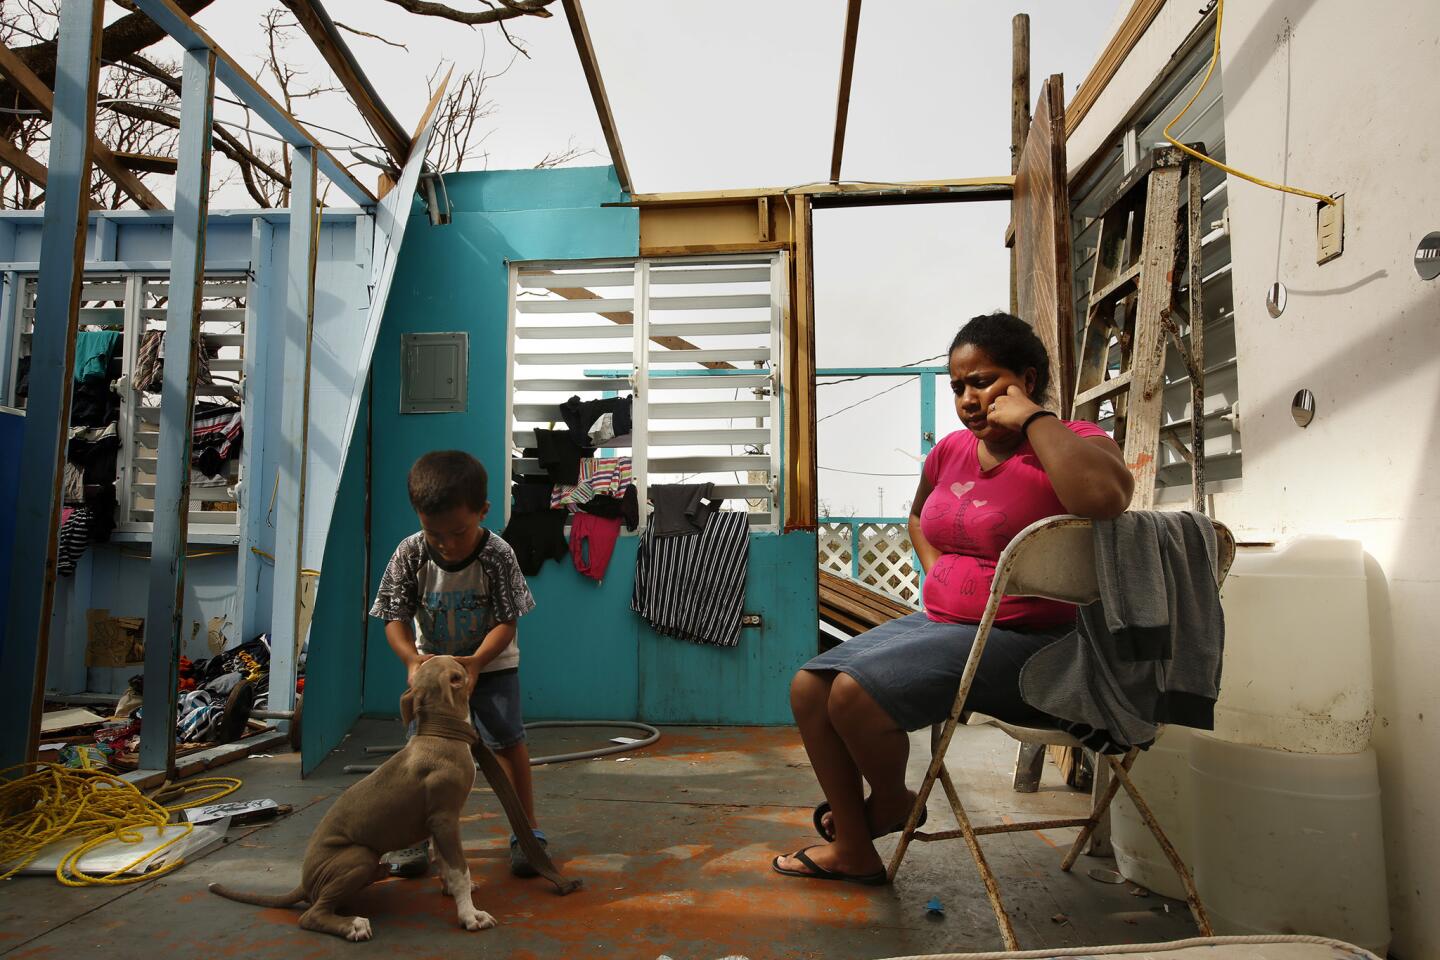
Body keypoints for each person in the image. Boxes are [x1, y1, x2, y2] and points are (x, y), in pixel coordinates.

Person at [773, 312, 1134, 885]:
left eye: (984, 381)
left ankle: (887, 804)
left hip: (1037, 642)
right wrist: (941, 572)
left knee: (854, 696)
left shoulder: (1075, 442)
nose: (969, 399)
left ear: (1027, 379)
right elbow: (918, 515)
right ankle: (857, 848)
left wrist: (1036, 421)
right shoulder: (950, 452)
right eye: (958, 387)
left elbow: (1105, 497)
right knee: (808, 688)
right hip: (944, 622)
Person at [369, 449, 550, 879]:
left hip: (492, 665)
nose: (446, 544)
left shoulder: (498, 554)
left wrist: (476, 663)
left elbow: (507, 621)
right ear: (418, 516)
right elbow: (394, 620)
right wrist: (412, 659)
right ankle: (415, 837)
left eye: (458, 531)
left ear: (483, 511)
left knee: (508, 744)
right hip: (431, 673)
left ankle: (527, 833)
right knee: (423, 753)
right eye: (434, 534)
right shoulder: (409, 554)